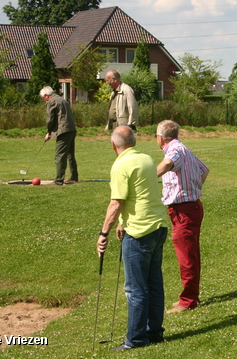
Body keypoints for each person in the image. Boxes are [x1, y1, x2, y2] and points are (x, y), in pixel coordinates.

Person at [97, 126, 168, 350]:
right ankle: (154, 332)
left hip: (139, 233)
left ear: (113, 145)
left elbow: (116, 202)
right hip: (158, 227)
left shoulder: (120, 165)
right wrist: (121, 223)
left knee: (136, 289)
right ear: (134, 142)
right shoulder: (146, 159)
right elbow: (138, 194)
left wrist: (103, 234)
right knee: (154, 283)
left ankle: (136, 339)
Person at [156, 120, 209, 313]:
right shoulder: (185, 149)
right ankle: (192, 296)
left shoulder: (174, 151)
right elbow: (204, 170)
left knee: (186, 256)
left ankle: (188, 301)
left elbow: (168, 163)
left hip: (184, 210)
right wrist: (193, 188)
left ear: (160, 138)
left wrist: (147, 177)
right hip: (190, 207)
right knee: (190, 253)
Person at [40, 86, 78, 185]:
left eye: (43, 98)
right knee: (70, 154)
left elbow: (50, 119)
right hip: (71, 129)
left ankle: (58, 180)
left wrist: (49, 132)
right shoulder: (62, 99)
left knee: (59, 155)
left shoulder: (51, 101)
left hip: (63, 130)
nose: (43, 100)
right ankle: (74, 177)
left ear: (47, 96)